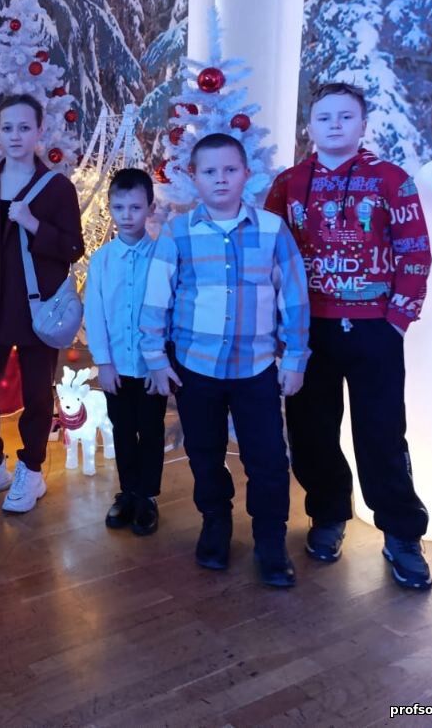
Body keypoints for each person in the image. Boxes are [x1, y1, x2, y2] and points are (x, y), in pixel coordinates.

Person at [265, 81, 432, 591]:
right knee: (311, 430)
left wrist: (397, 319)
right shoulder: (289, 184)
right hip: (308, 330)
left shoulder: (391, 180)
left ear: (362, 124)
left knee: (381, 432)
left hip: (374, 329)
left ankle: (402, 533)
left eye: (345, 116)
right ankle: (327, 514)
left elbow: (415, 251)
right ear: (310, 127)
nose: (334, 125)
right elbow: (270, 256)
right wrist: (280, 326)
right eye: (324, 117)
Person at [141, 133, 310, 588]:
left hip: (257, 369)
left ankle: (270, 541)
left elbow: (294, 297)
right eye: (210, 171)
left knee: (268, 459)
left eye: (230, 170)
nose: (221, 179)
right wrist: (155, 357)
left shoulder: (273, 231)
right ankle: (215, 523)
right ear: (194, 177)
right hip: (196, 368)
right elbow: (157, 297)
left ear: (246, 175)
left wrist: (295, 357)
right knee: (204, 453)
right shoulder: (178, 233)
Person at [0, 93, 84, 514]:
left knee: (37, 395)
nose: (15, 136)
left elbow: (73, 248)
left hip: (36, 307)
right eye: (7, 127)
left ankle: (31, 468)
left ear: (39, 130)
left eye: (24, 127)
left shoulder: (57, 187)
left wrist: (32, 223)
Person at [83, 167, 166, 536]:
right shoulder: (101, 261)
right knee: (123, 429)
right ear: (110, 208)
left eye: (135, 207)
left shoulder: (162, 257)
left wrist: (159, 363)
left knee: (150, 430)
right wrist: (103, 362)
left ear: (150, 208)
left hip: (151, 368)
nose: (127, 215)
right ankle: (128, 491)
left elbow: (167, 310)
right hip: (116, 367)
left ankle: (147, 496)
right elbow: (95, 314)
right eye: (119, 208)